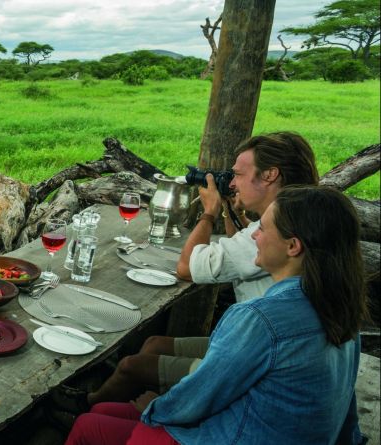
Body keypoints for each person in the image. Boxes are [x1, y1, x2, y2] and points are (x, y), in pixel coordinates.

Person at [65, 185, 367, 445]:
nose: (256, 236)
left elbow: (204, 392)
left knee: (89, 426)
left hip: (244, 436)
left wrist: (156, 409)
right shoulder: (339, 307)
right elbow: (344, 405)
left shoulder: (260, 318)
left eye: (262, 228)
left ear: (292, 246)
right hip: (282, 432)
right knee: (105, 412)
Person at [51, 132, 320, 411]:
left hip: (251, 359)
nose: (233, 182)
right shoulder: (297, 220)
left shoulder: (275, 238)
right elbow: (240, 244)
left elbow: (186, 267)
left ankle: (87, 407)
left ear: (270, 175)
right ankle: (137, 403)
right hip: (258, 347)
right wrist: (233, 211)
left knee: (132, 365)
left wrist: (210, 212)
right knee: (154, 343)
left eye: (239, 174)